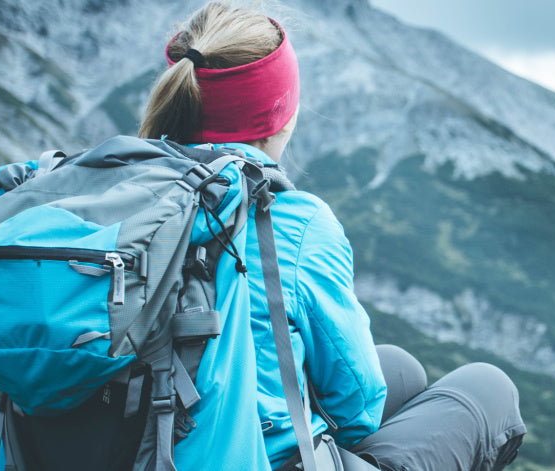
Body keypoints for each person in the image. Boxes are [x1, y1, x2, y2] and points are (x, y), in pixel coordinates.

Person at [140, 2, 527, 470]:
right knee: (488, 389)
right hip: (250, 459)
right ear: (281, 115)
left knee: (401, 367)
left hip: (128, 448)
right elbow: (358, 407)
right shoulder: (290, 220)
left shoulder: (117, 195)